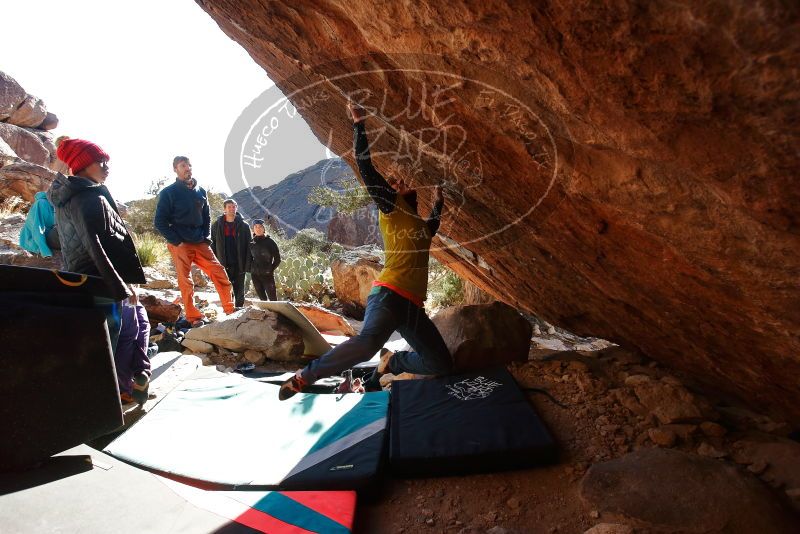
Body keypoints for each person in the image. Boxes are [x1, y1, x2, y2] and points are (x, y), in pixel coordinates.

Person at [279, 102, 452, 400]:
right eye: (395, 183)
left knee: (442, 364)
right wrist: (358, 124)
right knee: (368, 342)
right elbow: (367, 168)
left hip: (412, 308)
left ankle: (392, 361)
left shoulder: (422, 228)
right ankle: (305, 376)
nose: (398, 183)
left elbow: (434, 220)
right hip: (389, 295)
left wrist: (438, 199)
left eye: (400, 183)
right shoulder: (391, 208)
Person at [47, 138, 151, 404]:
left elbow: (61, 238)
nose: (106, 166)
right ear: (82, 165)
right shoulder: (87, 198)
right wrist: (122, 288)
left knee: (116, 333)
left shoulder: (72, 196)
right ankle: (107, 399)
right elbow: (96, 246)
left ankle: (117, 390)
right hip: (99, 280)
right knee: (114, 337)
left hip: (86, 278)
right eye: (100, 162)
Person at [154, 156, 235, 327]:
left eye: (189, 165)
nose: (188, 168)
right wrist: (176, 241)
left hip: (200, 242)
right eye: (183, 165)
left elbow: (206, 216)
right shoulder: (169, 192)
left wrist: (207, 238)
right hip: (180, 243)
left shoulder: (201, 191)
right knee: (185, 280)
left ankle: (230, 310)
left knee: (219, 272)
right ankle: (193, 317)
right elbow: (159, 222)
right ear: (175, 169)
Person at [210, 199, 251, 307]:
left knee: (240, 291)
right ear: (224, 209)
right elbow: (212, 245)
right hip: (223, 263)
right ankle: (229, 311)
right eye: (229, 207)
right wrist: (214, 263)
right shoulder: (216, 226)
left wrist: (247, 264)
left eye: (234, 207)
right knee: (226, 289)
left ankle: (239, 311)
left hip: (239, 264)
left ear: (236, 208)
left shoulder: (244, 226)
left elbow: (249, 246)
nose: (232, 209)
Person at [248, 218, 281, 300]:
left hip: (267, 275)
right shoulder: (251, 243)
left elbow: (277, 259)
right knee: (262, 298)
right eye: (256, 227)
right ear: (253, 229)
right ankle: (266, 313)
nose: (258, 229)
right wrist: (251, 269)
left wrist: (270, 269)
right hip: (255, 275)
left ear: (264, 229)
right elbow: (249, 258)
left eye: (260, 227)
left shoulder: (270, 242)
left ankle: (276, 313)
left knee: (273, 298)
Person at [19, 191, 59, 256]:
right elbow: (37, 228)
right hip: (32, 238)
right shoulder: (42, 204)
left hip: (39, 235)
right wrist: (45, 251)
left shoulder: (48, 203)